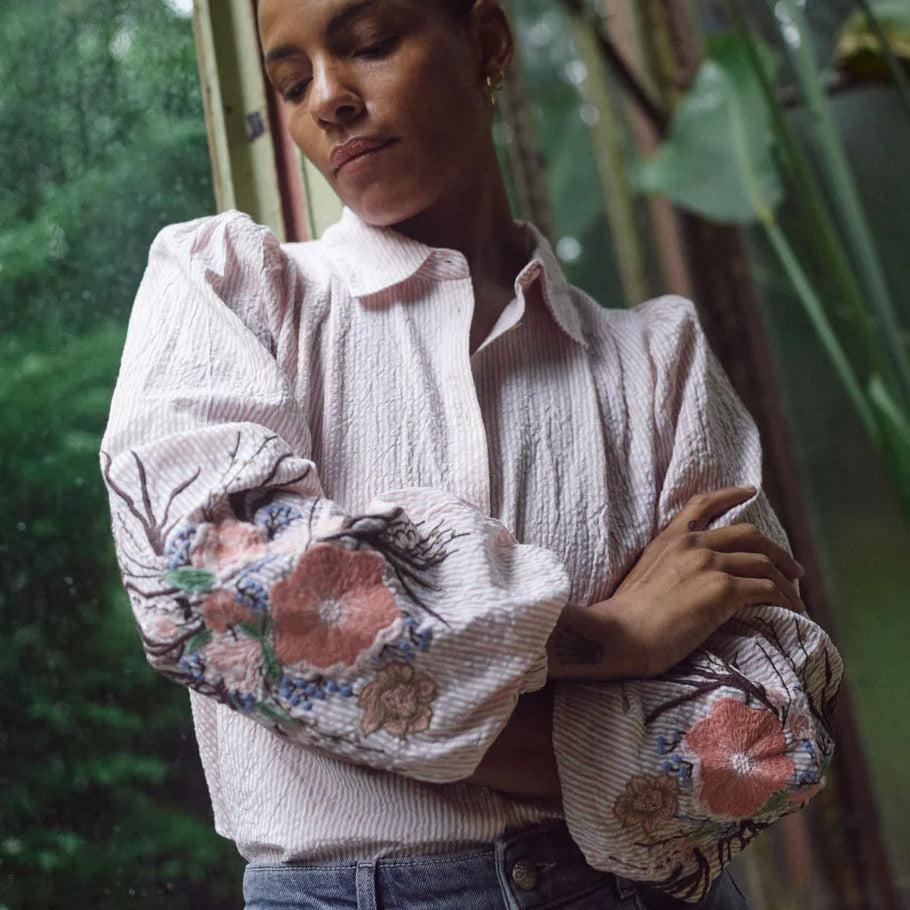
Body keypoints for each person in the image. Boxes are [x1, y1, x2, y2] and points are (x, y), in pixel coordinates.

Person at [100, 0, 843, 907]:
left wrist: (358, 689)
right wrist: (611, 639)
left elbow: (768, 735)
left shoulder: (658, 361)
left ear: (486, 43)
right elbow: (216, 594)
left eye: (369, 45)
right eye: (291, 84)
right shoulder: (229, 288)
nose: (327, 99)